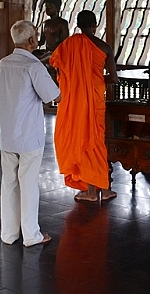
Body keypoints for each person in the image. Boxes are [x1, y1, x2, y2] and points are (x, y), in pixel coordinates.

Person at [0, 20, 60, 247]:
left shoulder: (3, 64)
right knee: (29, 184)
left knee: (9, 184)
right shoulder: (33, 67)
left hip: (8, 134)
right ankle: (31, 235)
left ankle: (9, 234)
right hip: (29, 136)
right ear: (32, 41)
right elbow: (53, 95)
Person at [50, 10, 119, 202]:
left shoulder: (67, 46)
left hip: (74, 102)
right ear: (95, 25)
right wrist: (93, 79)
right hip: (95, 100)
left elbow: (56, 66)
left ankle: (90, 192)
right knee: (95, 141)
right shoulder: (105, 47)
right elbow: (113, 78)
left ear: (78, 25)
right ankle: (104, 190)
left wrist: (78, 80)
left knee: (80, 139)